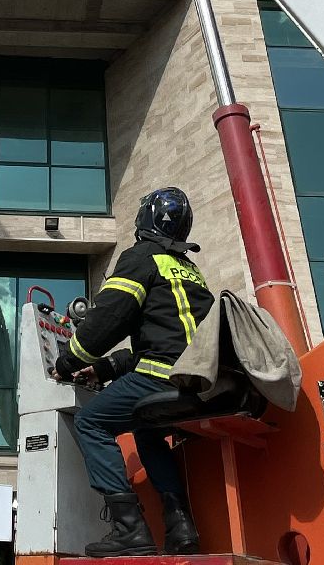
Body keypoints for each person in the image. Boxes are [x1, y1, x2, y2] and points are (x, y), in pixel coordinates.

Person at [54, 187, 213, 557]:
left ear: (145, 221)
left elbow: (106, 321)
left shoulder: (141, 257)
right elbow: (166, 337)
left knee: (92, 423)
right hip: (197, 378)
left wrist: (67, 361)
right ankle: (181, 527)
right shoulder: (189, 269)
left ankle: (130, 530)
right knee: (146, 430)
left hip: (163, 377)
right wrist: (105, 367)